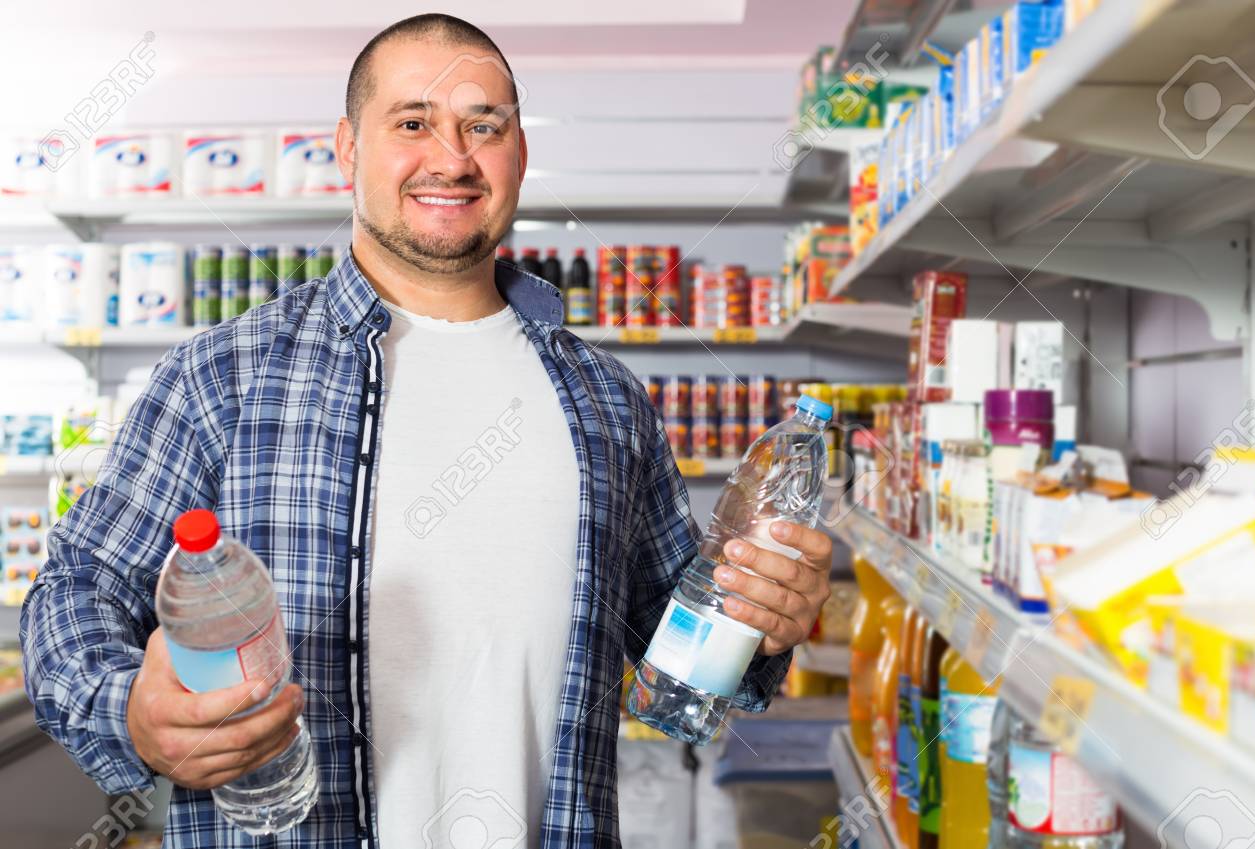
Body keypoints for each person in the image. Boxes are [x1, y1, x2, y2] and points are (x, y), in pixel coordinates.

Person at [21, 14, 835, 849]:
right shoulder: (223, 377)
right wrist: (130, 710)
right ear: (347, 147)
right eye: (413, 123)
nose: (452, 156)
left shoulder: (609, 402)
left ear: (519, 152)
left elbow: (677, 664)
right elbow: (76, 587)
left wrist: (761, 621)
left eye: (484, 125)